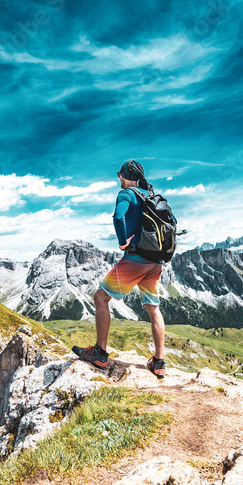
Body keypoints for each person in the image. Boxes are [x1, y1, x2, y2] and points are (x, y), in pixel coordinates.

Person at [73, 160, 168, 378]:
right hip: (155, 261)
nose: (119, 179)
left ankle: (99, 353)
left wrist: (123, 241)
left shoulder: (126, 194)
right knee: (153, 308)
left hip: (135, 259)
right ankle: (159, 362)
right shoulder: (149, 194)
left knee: (100, 297)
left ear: (124, 176)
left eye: (119, 175)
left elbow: (118, 216)